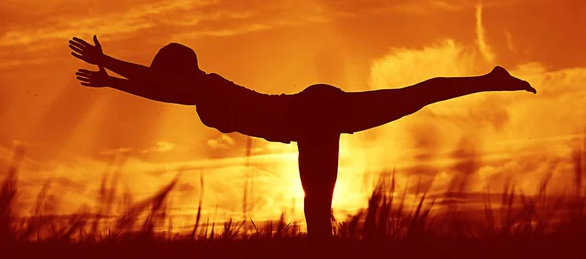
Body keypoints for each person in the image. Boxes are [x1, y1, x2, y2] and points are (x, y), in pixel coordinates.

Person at [69, 36, 537, 240]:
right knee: (411, 97)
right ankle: (489, 79)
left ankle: (488, 79)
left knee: (317, 211)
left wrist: (110, 67)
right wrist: (111, 76)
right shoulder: (198, 93)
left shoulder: (203, 86)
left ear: (179, 71)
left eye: (164, 73)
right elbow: (159, 90)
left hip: (310, 114)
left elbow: (158, 86)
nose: (162, 81)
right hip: (315, 110)